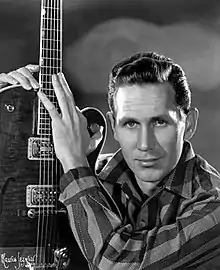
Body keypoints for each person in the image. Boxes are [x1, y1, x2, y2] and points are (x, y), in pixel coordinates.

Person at [0, 51, 220, 270]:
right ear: (113, 126)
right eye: (131, 124)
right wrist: (8, 106)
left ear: (189, 124)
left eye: (159, 122)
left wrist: (74, 162)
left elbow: (118, 263)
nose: (145, 144)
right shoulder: (83, 175)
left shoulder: (213, 205)